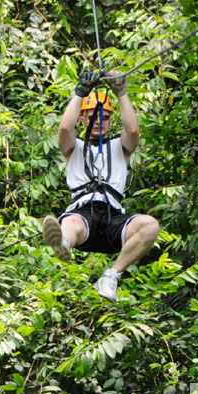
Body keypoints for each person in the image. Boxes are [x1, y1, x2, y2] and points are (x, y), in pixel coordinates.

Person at [42, 69, 160, 301]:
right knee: (72, 221)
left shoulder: (120, 147)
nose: (99, 121)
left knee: (150, 225)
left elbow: (133, 130)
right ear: (84, 119)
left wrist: (121, 92)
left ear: (111, 121)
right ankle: (63, 243)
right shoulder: (73, 147)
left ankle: (111, 276)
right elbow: (65, 128)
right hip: (83, 214)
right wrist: (81, 92)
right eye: (93, 117)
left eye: (105, 117)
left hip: (113, 216)